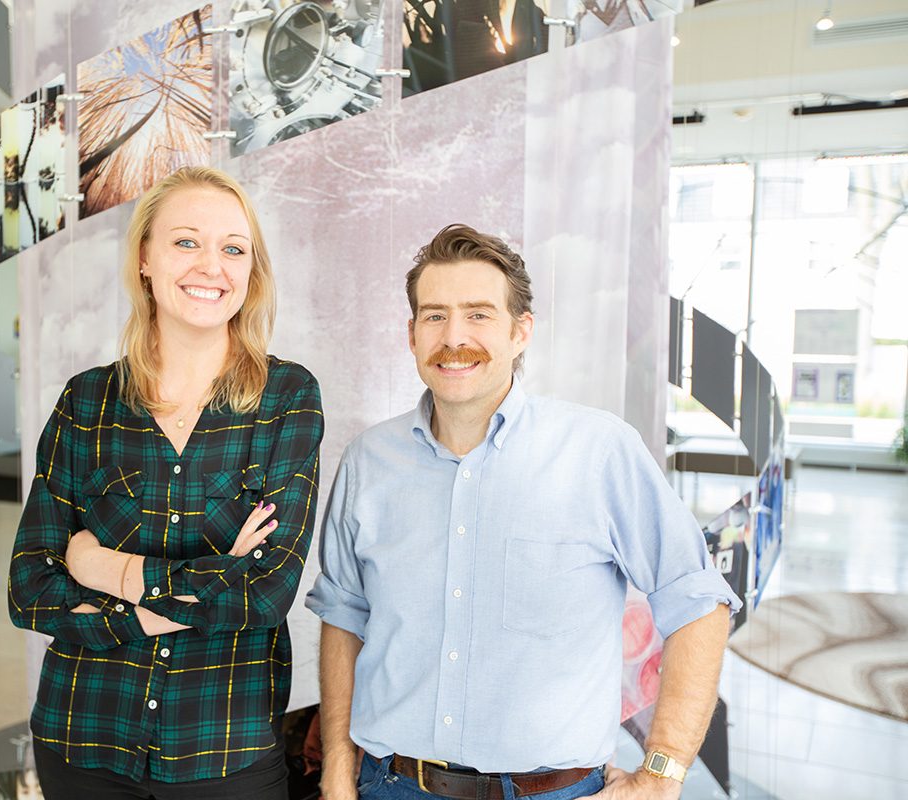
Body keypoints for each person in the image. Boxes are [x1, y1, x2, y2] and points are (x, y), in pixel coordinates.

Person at [306, 224, 740, 800]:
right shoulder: (368, 461)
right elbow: (344, 615)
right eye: (434, 316)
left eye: (478, 314)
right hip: (391, 785)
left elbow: (698, 601)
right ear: (411, 335)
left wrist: (661, 775)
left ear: (520, 332)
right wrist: (337, 768)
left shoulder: (599, 451)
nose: (453, 336)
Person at [8, 166, 325, 800]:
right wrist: (199, 592)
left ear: (251, 271)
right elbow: (31, 590)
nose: (212, 266)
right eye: (186, 241)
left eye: (233, 249)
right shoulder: (87, 402)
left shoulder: (287, 398)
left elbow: (264, 595)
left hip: (224, 748)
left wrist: (104, 568)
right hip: (83, 736)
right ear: (145, 259)